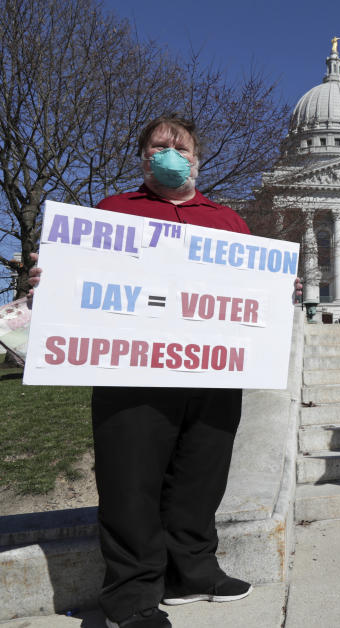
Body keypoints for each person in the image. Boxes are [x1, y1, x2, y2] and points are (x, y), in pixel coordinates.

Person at [28, 115, 301, 628]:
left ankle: (192, 572)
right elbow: (77, 281)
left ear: (197, 159)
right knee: (130, 481)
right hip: (133, 374)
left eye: (182, 146)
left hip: (213, 371)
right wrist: (52, 276)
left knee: (202, 475)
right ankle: (131, 598)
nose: (172, 153)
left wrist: (282, 292)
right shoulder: (112, 212)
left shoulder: (228, 221)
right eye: (160, 145)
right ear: (144, 157)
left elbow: (253, 293)